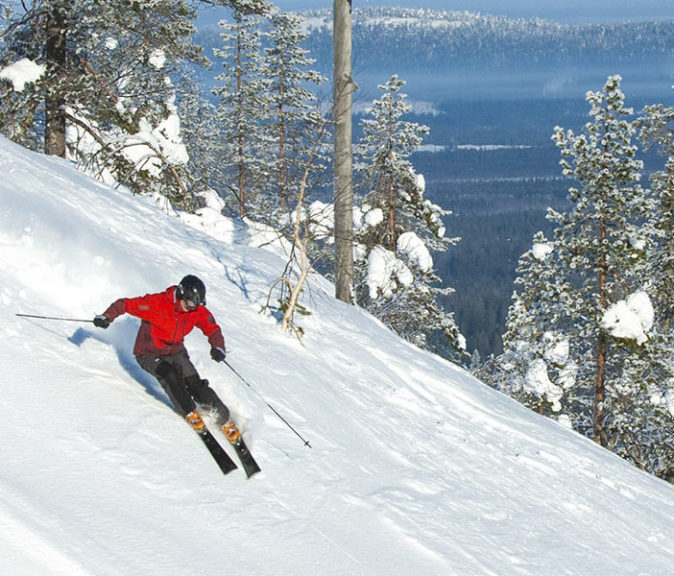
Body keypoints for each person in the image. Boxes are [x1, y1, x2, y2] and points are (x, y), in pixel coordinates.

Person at [93, 274, 240, 444]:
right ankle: (189, 412)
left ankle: (222, 417)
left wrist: (218, 347)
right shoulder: (156, 303)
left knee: (194, 382)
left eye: (196, 305)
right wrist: (107, 317)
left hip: (176, 352)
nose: (192, 308)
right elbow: (124, 304)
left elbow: (212, 329)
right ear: (181, 294)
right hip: (149, 353)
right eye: (190, 303)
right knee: (170, 375)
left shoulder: (196, 310)